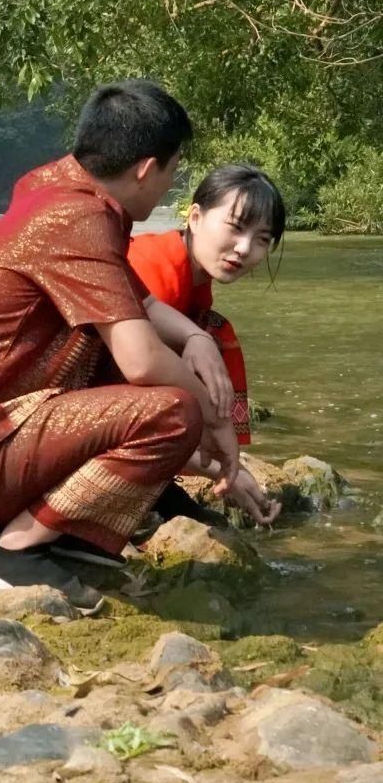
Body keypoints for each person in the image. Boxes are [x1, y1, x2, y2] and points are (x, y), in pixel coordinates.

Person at [0, 80, 271, 591]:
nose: (169, 183)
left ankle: (69, 534)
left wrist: (199, 341)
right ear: (146, 168)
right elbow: (140, 364)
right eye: (173, 169)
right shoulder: (79, 218)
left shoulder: (63, 195)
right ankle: (12, 550)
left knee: (177, 376)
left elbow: (142, 302)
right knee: (172, 409)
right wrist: (217, 419)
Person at [130, 163, 285, 527]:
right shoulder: (156, 271)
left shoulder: (196, 287)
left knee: (217, 333)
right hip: (76, 417)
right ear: (195, 217)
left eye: (262, 239)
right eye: (235, 227)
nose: (245, 248)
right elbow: (140, 391)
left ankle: (160, 485)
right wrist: (221, 470)